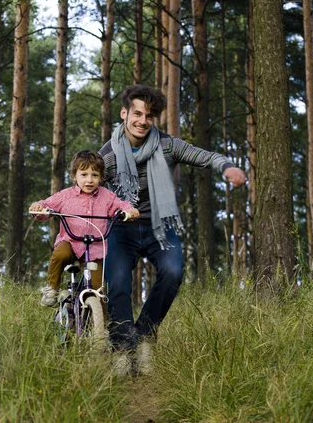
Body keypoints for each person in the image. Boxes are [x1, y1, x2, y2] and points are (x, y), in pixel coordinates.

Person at [99, 84, 246, 374]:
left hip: (159, 228)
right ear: (124, 113)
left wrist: (227, 167)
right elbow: (85, 188)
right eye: (137, 113)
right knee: (117, 283)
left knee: (173, 272)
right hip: (120, 229)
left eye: (149, 115)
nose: (143, 121)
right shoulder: (107, 156)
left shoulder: (167, 145)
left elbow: (206, 156)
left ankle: (143, 335)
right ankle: (121, 348)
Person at [29, 150, 140, 307]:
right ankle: (52, 289)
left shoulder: (107, 197)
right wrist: (39, 208)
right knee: (61, 254)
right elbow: (48, 205)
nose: (89, 180)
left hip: (94, 249)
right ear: (74, 176)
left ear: (101, 178)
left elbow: (121, 205)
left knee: (98, 289)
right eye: (84, 174)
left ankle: (99, 329)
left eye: (94, 175)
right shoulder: (65, 196)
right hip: (70, 242)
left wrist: (129, 210)